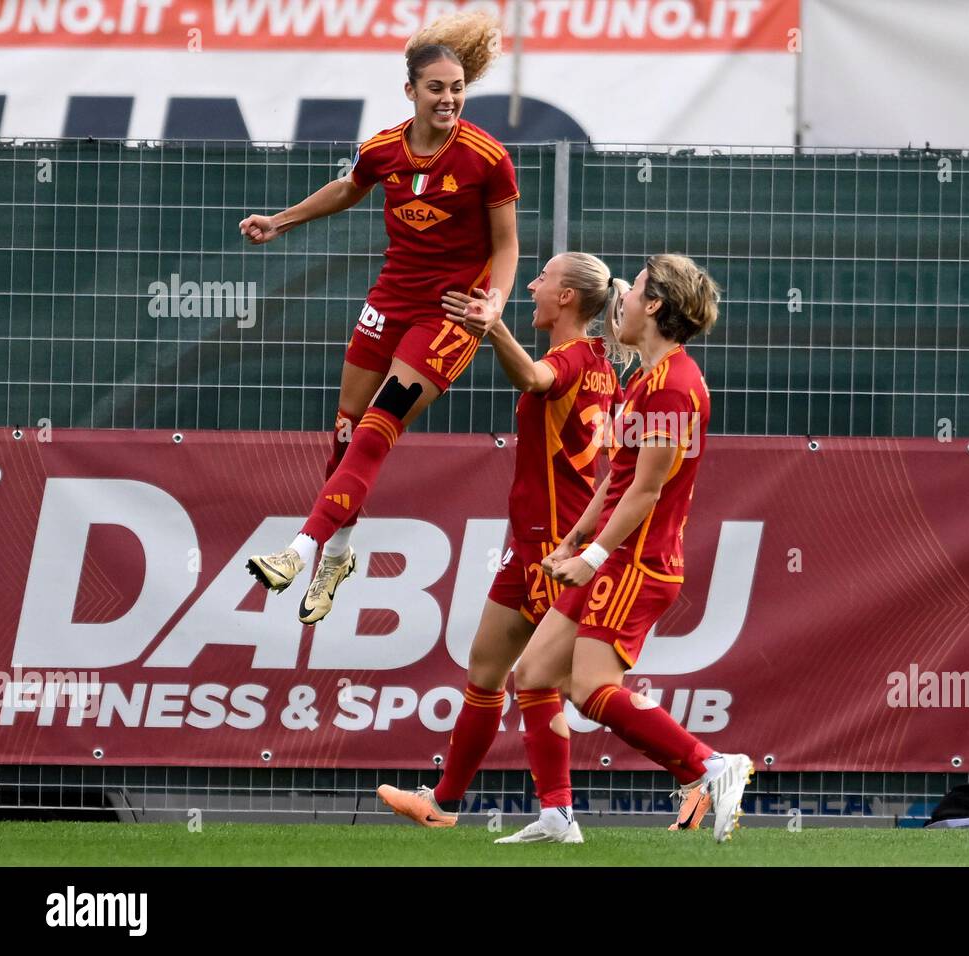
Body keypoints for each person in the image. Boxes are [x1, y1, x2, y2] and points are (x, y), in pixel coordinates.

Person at [238, 12, 520, 623]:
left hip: (448, 316)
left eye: (457, 88)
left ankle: (299, 548)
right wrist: (279, 221)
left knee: (374, 430)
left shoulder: (485, 158)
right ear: (411, 91)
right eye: (437, 88)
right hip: (389, 301)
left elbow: (507, 245)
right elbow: (349, 187)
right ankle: (339, 551)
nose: (449, 98)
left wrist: (495, 301)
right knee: (344, 431)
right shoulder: (382, 148)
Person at [495, 254, 753, 845]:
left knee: (588, 690)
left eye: (634, 289)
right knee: (532, 675)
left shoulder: (674, 385)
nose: (624, 297)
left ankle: (712, 766)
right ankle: (558, 817)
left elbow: (646, 490)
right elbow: (615, 479)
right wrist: (576, 539)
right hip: (611, 553)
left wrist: (591, 555)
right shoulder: (645, 377)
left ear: (656, 306)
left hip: (637, 562)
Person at [374, 253, 629, 827]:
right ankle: (444, 803)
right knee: (487, 671)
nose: (533, 285)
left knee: (558, 684)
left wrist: (493, 328)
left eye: (543, 278)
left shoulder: (567, 360)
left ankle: (689, 771)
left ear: (567, 298)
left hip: (552, 545)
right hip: (532, 541)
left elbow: (536, 379)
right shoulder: (600, 366)